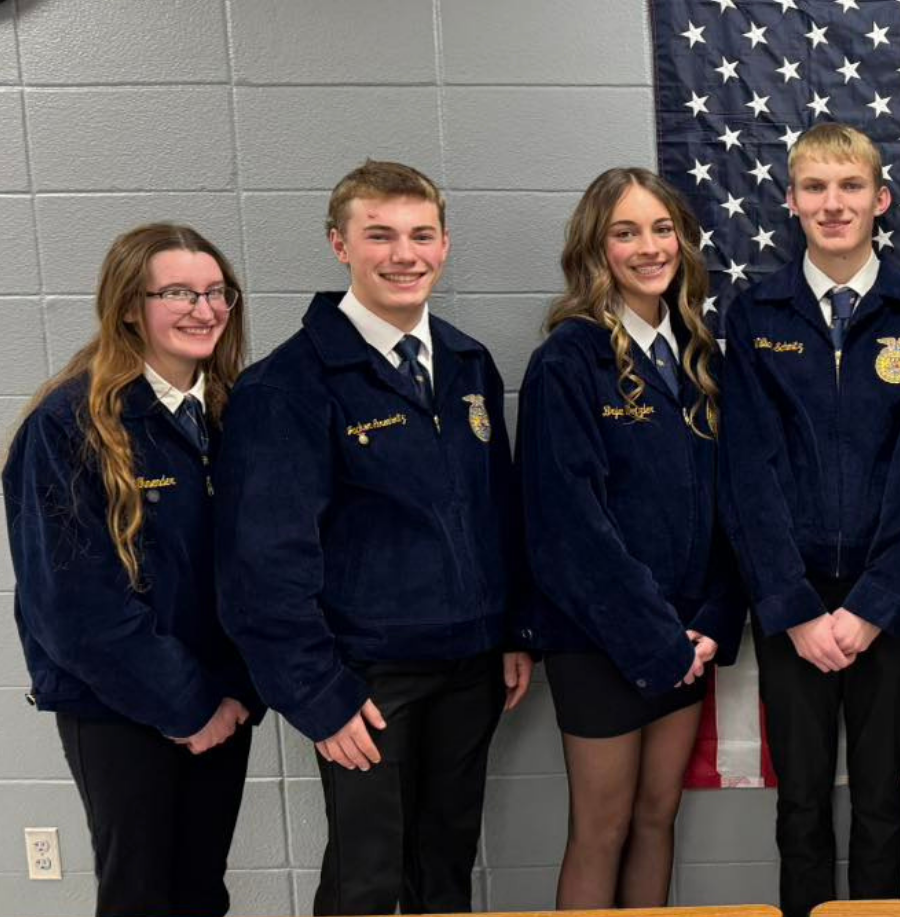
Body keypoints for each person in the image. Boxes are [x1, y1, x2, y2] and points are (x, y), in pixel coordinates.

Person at [215, 160, 534, 915]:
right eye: (380, 235)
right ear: (339, 245)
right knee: (367, 877)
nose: (404, 254)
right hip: (367, 681)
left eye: (421, 235)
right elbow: (263, 565)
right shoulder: (286, 387)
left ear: (445, 245)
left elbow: (498, 511)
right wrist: (319, 696)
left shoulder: (466, 362)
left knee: (446, 870)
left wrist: (513, 628)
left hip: (471, 666)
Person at [718, 123, 900, 917]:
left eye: (850, 187)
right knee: (801, 803)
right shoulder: (755, 315)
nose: (834, 204)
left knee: (883, 798)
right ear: (789, 202)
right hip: (790, 604)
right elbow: (745, 473)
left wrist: (872, 608)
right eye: (815, 188)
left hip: (886, 605)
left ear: (881, 200)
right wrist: (791, 608)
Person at [5, 224, 256, 917]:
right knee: (140, 897)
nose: (204, 309)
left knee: (202, 892)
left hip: (222, 704)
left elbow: (255, 570)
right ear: (126, 306)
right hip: (118, 709)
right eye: (178, 292)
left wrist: (231, 692)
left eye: (216, 293)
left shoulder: (233, 415)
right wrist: (187, 703)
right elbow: (72, 606)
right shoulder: (68, 426)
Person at [518, 166, 743, 908]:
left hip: (687, 639)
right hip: (605, 641)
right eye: (626, 232)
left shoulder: (698, 356)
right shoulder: (568, 361)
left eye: (660, 228)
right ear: (595, 247)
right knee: (603, 827)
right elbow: (568, 529)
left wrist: (709, 622)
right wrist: (656, 640)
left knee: (657, 816)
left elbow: (727, 507)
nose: (649, 247)